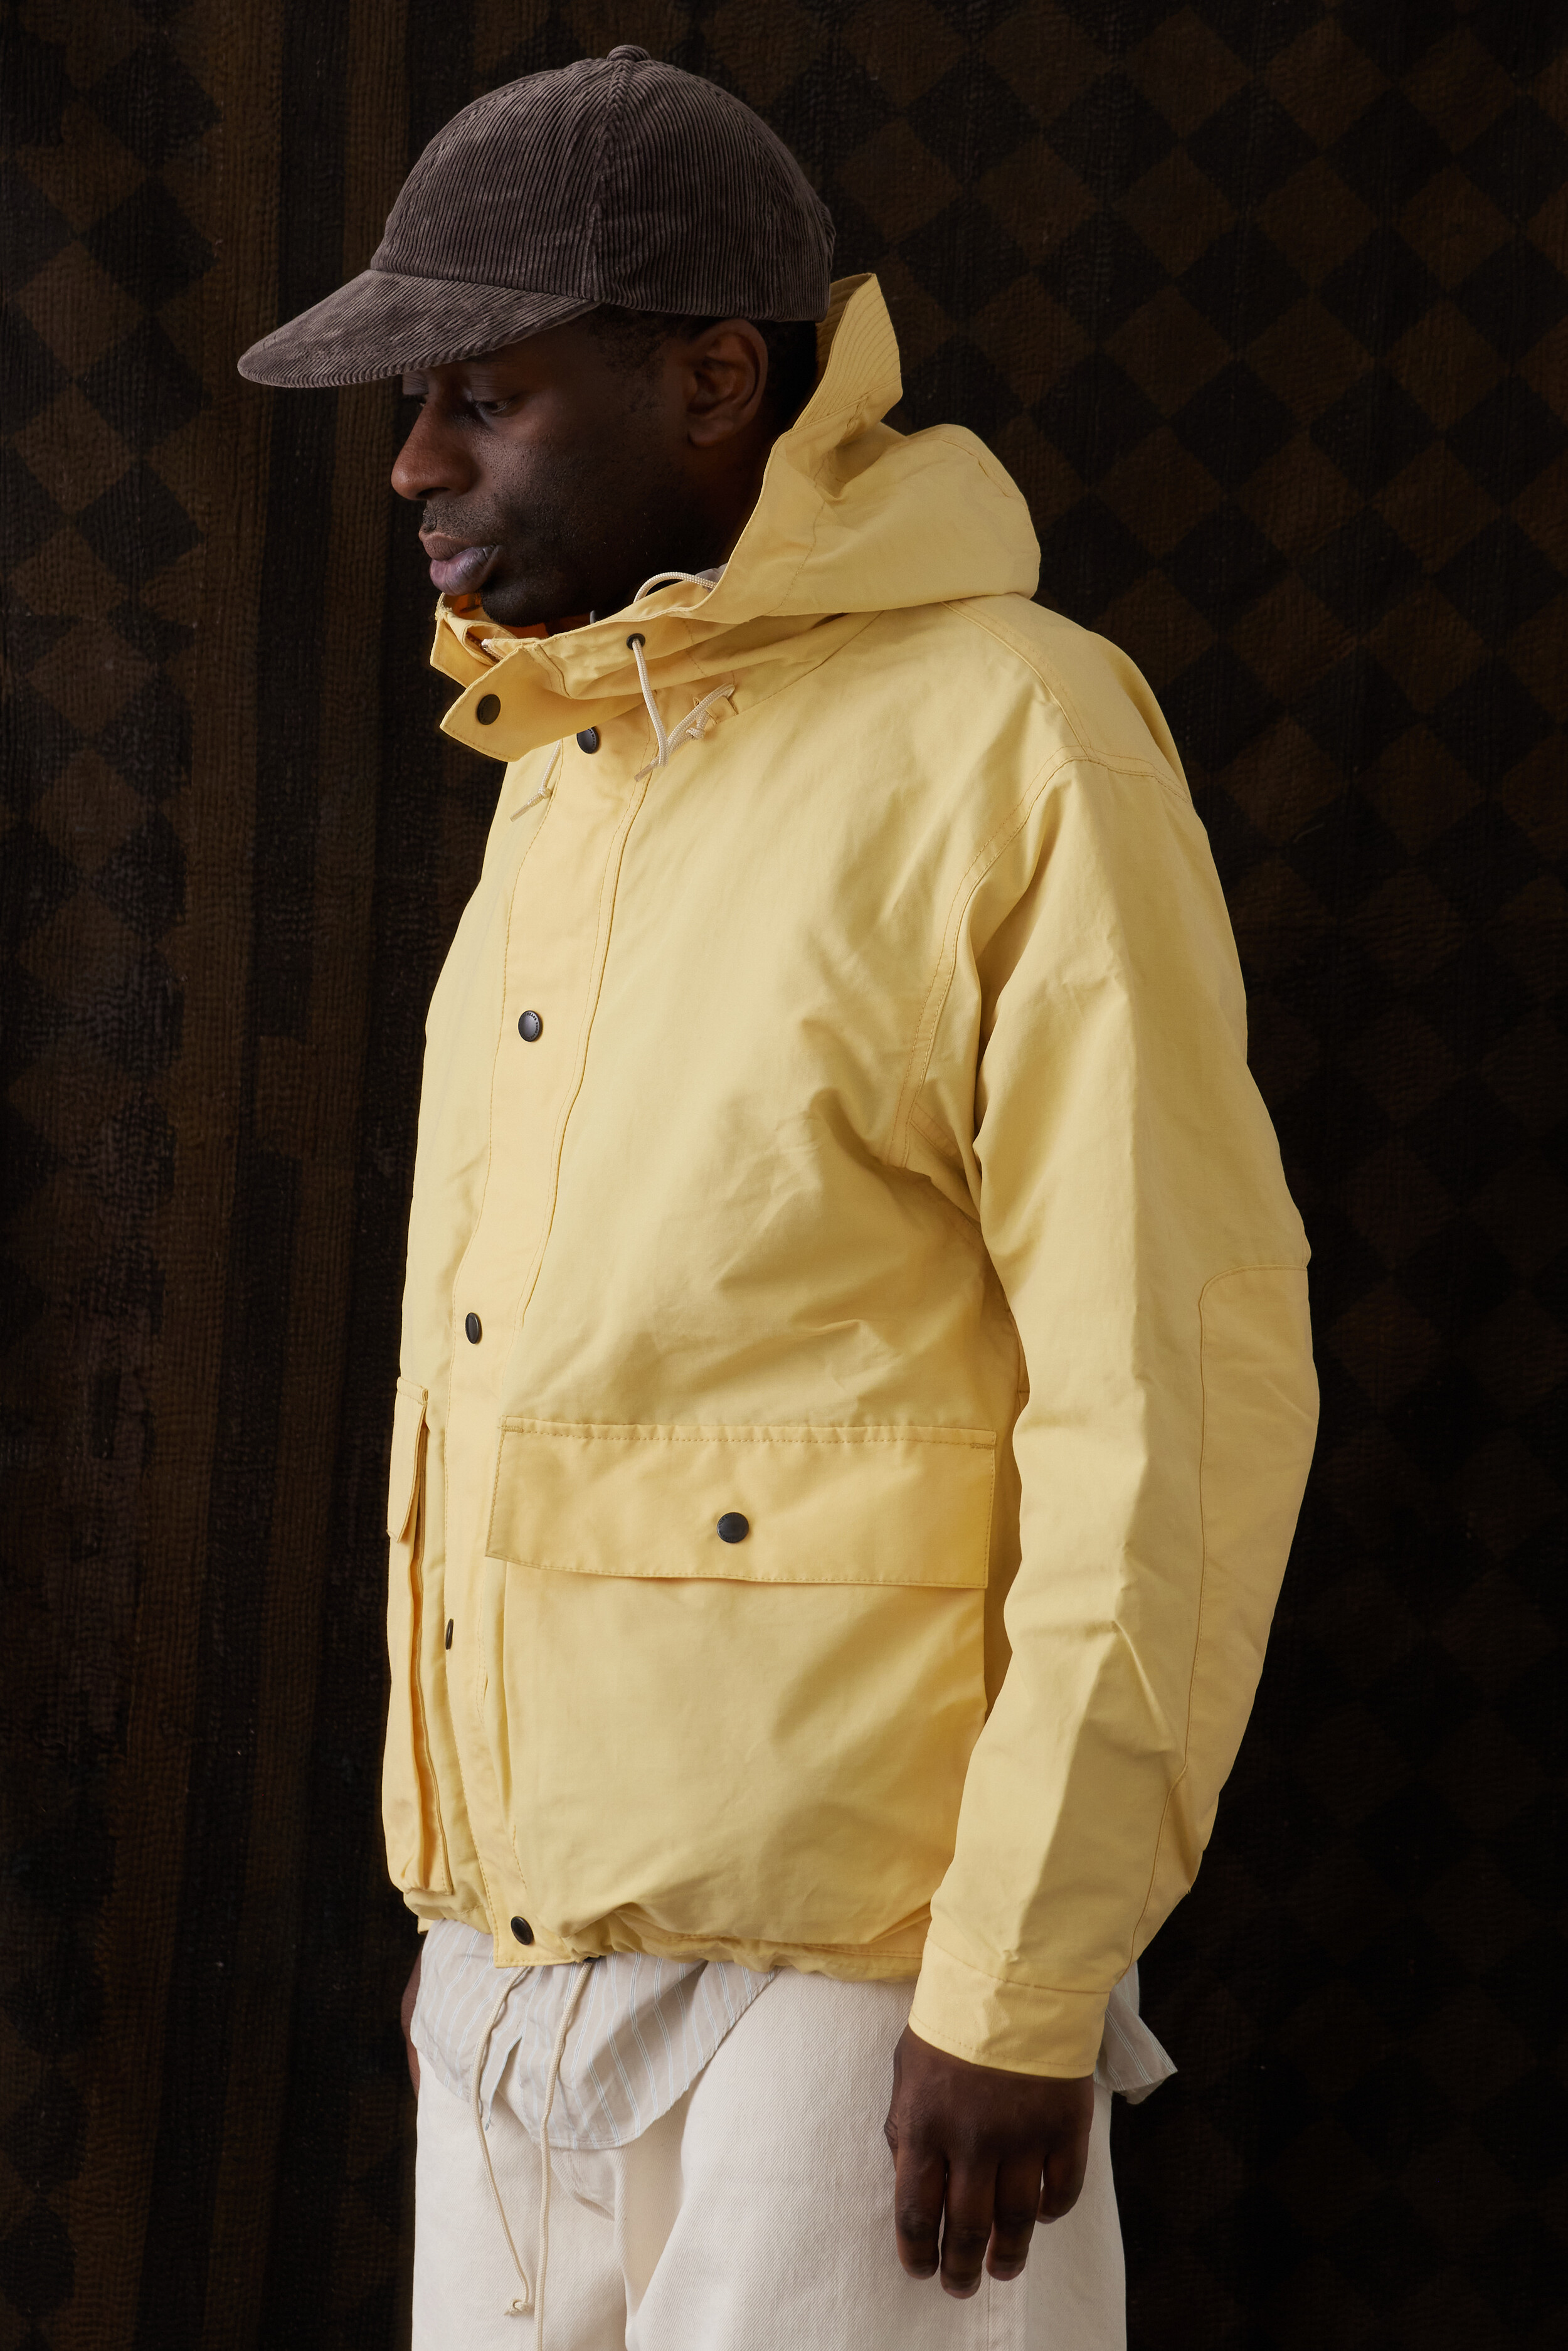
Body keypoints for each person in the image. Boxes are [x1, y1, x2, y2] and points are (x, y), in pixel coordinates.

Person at [240, 45, 1317, 2351]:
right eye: (415, 404)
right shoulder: (566, 769)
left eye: (483, 397)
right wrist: (472, 1937)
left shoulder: (1017, 737)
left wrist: (1020, 1976)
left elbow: (1176, 1393)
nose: (414, 462)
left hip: (861, 1997)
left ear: (716, 382)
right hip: (515, 1971)